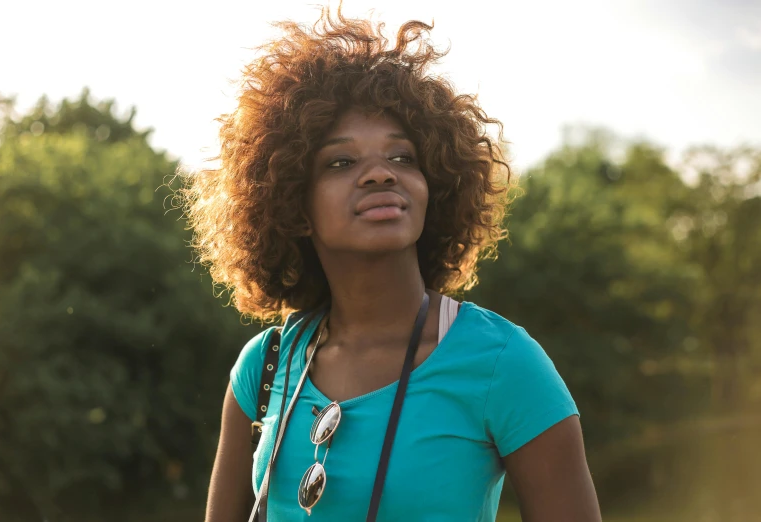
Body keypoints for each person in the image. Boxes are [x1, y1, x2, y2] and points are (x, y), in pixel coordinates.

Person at [188, 7, 602, 522]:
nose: (380, 174)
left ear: (436, 185)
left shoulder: (504, 363)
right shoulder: (266, 366)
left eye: (403, 157)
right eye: (342, 163)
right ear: (292, 205)